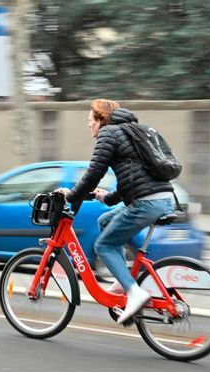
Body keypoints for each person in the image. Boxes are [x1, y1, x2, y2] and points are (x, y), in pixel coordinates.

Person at [58, 99, 176, 325]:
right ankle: (123, 282)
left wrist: (71, 196)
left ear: (101, 119)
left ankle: (135, 292)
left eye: (90, 119)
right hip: (163, 199)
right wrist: (108, 197)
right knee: (105, 221)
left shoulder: (108, 134)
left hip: (146, 203)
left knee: (103, 245)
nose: (88, 125)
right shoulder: (130, 133)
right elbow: (133, 178)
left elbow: (94, 173)